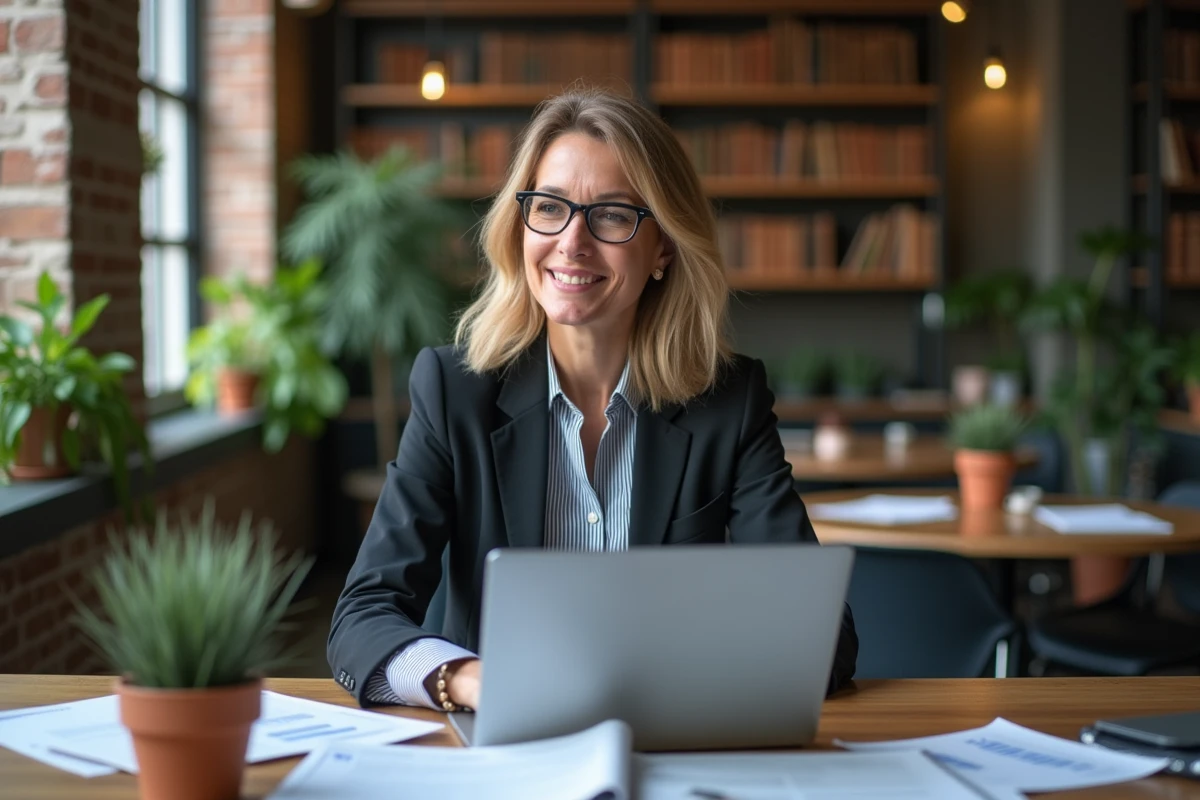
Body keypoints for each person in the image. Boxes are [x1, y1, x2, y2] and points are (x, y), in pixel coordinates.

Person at [328, 88, 857, 712]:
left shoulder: (728, 401)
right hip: (498, 745)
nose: (571, 242)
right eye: (549, 207)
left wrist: (677, 681)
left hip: (673, 743)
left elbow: (826, 639)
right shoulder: (455, 392)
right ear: (519, 225)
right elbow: (363, 617)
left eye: (610, 215)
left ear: (663, 247)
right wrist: (468, 681)